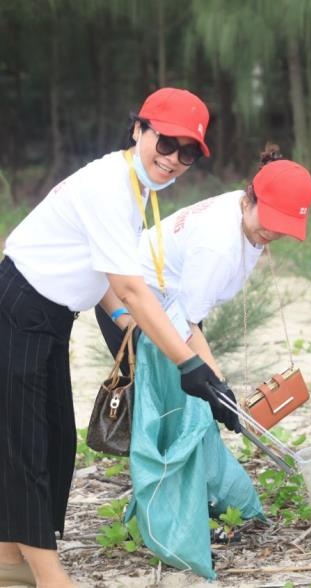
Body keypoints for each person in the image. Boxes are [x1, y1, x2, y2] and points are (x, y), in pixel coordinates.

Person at [0, 88, 238, 587]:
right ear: (139, 130)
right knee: (28, 445)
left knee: (56, 438)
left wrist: (125, 319)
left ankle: (8, 557)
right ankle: (50, 576)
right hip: (20, 307)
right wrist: (188, 365)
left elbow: (108, 274)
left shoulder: (138, 190)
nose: (173, 159)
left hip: (49, 319)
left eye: (187, 152)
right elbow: (131, 283)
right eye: (166, 142)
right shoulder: (112, 184)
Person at [95, 145, 311, 381]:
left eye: (283, 226)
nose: (273, 232)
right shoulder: (218, 245)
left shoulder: (239, 205)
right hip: (132, 303)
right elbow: (187, 324)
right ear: (253, 197)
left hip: (172, 308)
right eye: (271, 219)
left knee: (190, 398)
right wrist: (219, 385)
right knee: (158, 399)